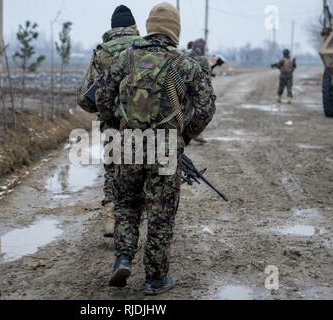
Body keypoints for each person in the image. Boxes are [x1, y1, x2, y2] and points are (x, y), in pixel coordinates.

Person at [96, 2, 216, 296]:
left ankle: (123, 258)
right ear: (175, 30)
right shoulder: (184, 64)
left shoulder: (124, 59)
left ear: (149, 27)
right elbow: (205, 107)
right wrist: (184, 135)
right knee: (160, 213)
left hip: (127, 145)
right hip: (164, 147)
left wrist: (118, 125)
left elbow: (101, 97)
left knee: (126, 205)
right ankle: (155, 279)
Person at [77, 5, 141, 238]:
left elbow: (84, 98)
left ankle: (112, 218)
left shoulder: (102, 53)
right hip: (144, 123)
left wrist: (103, 108)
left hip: (112, 124)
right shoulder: (144, 48)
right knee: (143, 170)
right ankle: (133, 222)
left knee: (113, 169)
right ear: (134, 27)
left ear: (112, 28)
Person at [185, 38, 211, 145]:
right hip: (197, 89)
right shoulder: (203, 59)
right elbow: (207, 76)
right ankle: (193, 133)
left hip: (183, 88)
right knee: (198, 111)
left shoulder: (185, 55)